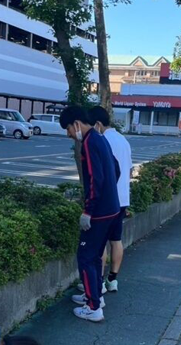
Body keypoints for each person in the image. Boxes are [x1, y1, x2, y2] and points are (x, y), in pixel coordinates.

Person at [59, 106, 120, 322]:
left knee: (85, 256)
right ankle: (94, 297)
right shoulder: (99, 137)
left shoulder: (89, 142)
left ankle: (93, 307)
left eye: (67, 129)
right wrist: (111, 193)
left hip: (99, 212)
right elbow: (115, 167)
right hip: (111, 209)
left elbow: (96, 180)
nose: (68, 134)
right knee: (94, 255)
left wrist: (88, 211)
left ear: (76, 124)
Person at [88, 105, 132, 293]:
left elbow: (102, 175)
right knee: (116, 240)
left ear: (97, 124)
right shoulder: (123, 140)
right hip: (122, 199)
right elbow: (129, 171)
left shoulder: (102, 141)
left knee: (100, 242)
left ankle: (98, 282)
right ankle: (112, 280)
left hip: (107, 200)